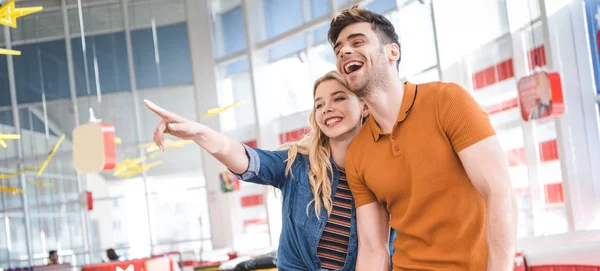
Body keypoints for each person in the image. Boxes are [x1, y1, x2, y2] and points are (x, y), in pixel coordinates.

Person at [328, 6, 518, 271]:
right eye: (338, 50)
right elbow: (373, 250)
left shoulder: (446, 101)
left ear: (392, 51)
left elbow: (499, 193)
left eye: (357, 42)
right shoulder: (358, 152)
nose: (344, 52)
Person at [145, 71, 369, 271]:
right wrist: (198, 133)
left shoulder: (381, 172)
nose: (327, 108)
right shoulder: (297, 165)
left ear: (364, 106)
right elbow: (245, 158)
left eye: (338, 98)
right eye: (319, 104)